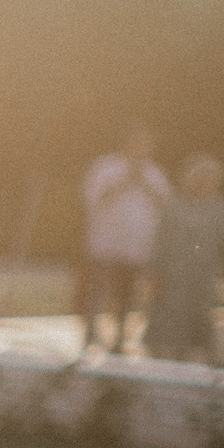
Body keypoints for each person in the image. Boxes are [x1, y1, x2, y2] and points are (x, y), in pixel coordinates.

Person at [82, 125, 172, 353]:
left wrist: (144, 184)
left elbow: (165, 208)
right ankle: (90, 332)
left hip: (137, 246)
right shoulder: (106, 167)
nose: (141, 149)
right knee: (100, 288)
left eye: (146, 145)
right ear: (127, 143)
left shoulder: (155, 174)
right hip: (106, 242)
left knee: (127, 293)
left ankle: (119, 337)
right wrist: (124, 182)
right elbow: (91, 198)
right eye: (137, 143)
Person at [148, 153, 224, 364]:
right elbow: (161, 239)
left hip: (204, 272)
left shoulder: (218, 207)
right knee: (169, 313)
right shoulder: (175, 204)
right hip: (174, 271)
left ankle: (196, 358)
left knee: (201, 313)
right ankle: (164, 358)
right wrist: (155, 270)